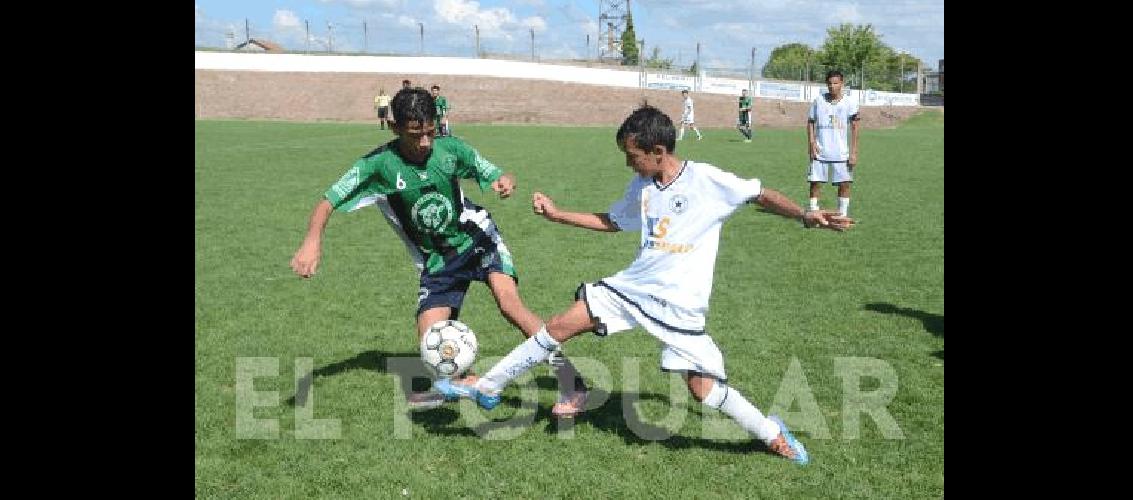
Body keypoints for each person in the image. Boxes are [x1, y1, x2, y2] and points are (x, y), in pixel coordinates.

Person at [440, 106, 853, 464]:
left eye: (633, 156)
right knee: (561, 325)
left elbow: (759, 194)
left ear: (658, 152)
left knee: (703, 390)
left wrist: (804, 214)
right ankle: (489, 387)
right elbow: (612, 221)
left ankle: (772, 433)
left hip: (679, 306)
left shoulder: (706, 180)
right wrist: (558, 215)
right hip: (633, 288)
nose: (628, 164)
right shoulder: (641, 186)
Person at [290, 88, 589, 414]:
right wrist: (312, 240)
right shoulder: (378, 165)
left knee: (511, 306)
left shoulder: (451, 149)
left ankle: (572, 383)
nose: (425, 143)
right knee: (430, 338)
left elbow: (496, 173)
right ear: (395, 128)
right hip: (438, 261)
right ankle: (466, 383)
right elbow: (328, 200)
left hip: (477, 239)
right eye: (414, 134)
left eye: (430, 132)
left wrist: (504, 182)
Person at [807, 70, 860, 217]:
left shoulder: (850, 102)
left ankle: (842, 215)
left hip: (841, 152)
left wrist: (854, 152)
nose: (832, 86)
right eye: (829, 83)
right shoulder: (819, 100)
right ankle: (813, 214)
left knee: (844, 184)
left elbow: (855, 127)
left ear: (842, 84)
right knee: (815, 183)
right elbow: (810, 122)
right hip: (820, 150)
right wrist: (812, 143)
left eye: (835, 83)